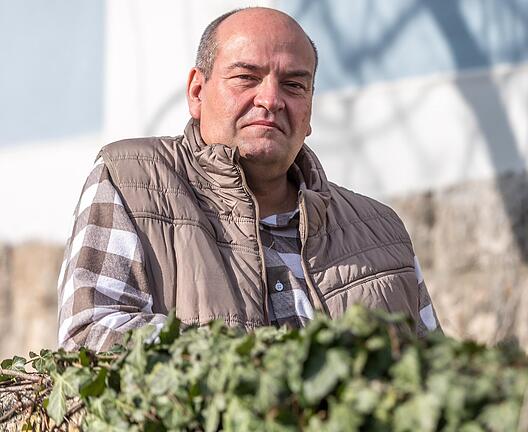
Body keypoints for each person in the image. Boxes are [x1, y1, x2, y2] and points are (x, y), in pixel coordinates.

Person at [56, 7, 440, 351]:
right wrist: (261, 364)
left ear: (309, 110)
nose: (270, 99)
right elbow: (93, 336)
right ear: (196, 92)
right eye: (246, 77)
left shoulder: (381, 231)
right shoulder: (129, 179)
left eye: (294, 85)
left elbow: (435, 372)